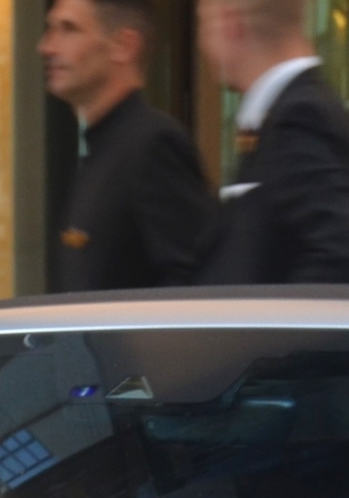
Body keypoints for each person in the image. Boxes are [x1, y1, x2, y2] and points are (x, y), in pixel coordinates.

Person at [41, 0, 218, 292]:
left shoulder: (153, 145)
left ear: (124, 46)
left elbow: (193, 289)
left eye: (69, 29)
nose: (47, 47)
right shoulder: (101, 149)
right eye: (51, 29)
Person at [195, 0, 349, 284]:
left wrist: (263, 329)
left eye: (202, 24)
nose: (202, 43)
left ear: (230, 22)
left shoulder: (302, 118)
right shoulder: (280, 118)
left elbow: (339, 261)